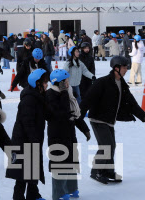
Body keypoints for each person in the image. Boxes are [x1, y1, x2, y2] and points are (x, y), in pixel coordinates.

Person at [80, 55, 145, 184]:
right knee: (107, 146)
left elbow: (131, 102)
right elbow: (88, 99)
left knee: (111, 146)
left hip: (109, 120)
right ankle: (96, 171)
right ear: (116, 68)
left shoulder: (121, 84)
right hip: (98, 119)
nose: (126, 69)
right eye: (124, 67)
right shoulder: (102, 82)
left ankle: (108, 171)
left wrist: (142, 115)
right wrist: (79, 117)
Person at [46, 68, 90, 200]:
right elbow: (62, 113)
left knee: (71, 161)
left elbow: (75, 115)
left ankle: (71, 188)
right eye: (65, 81)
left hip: (69, 133)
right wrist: (64, 93)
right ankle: (58, 192)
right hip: (57, 134)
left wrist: (85, 129)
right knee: (59, 163)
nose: (68, 83)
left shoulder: (69, 93)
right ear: (58, 83)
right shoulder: (50, 95)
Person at [6, 68, 49, 200]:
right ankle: (18, 197)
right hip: (24, 139)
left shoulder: (39, 95)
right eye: (45, 82)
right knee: (23, 172)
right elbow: (27, 121)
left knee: (32, 168)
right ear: (37, 83)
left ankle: (33, 194)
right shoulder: (29, 99)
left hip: (32, 138)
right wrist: (33, 139)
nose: (47, 84)